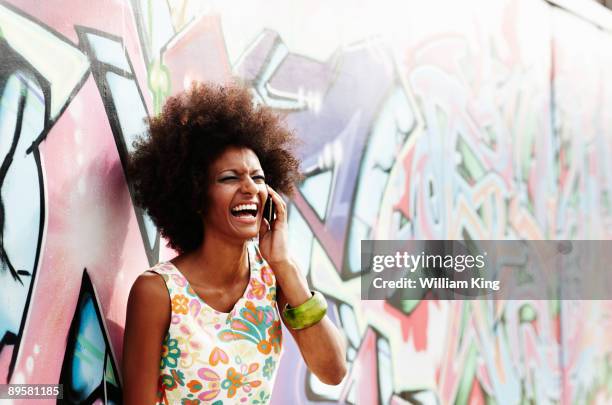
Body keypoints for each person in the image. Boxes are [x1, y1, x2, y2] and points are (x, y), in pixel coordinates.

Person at [122, 82, 347, 404]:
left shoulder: (273, 279)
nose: (250, 188)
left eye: (258, 178)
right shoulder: (157, 291)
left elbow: (333, 371)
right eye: (230, 178)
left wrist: (284, 265)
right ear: (196, 195)